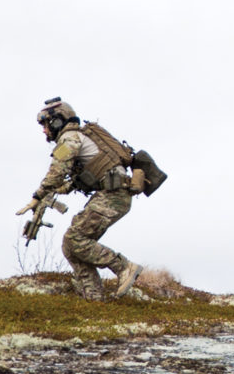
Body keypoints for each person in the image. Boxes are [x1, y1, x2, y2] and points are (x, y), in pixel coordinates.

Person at [18, 98, 150, 300]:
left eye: (46, 124)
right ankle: (94, 295)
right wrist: (55, 191)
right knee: (69, 246)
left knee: (75, 238)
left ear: (57, 121)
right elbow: (71, 180)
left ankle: (124, 267)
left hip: (114, 194)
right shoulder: (76, 137)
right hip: (112, 194)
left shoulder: (70, 138)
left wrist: (38, 195)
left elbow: (57, 170)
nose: (44, 131)